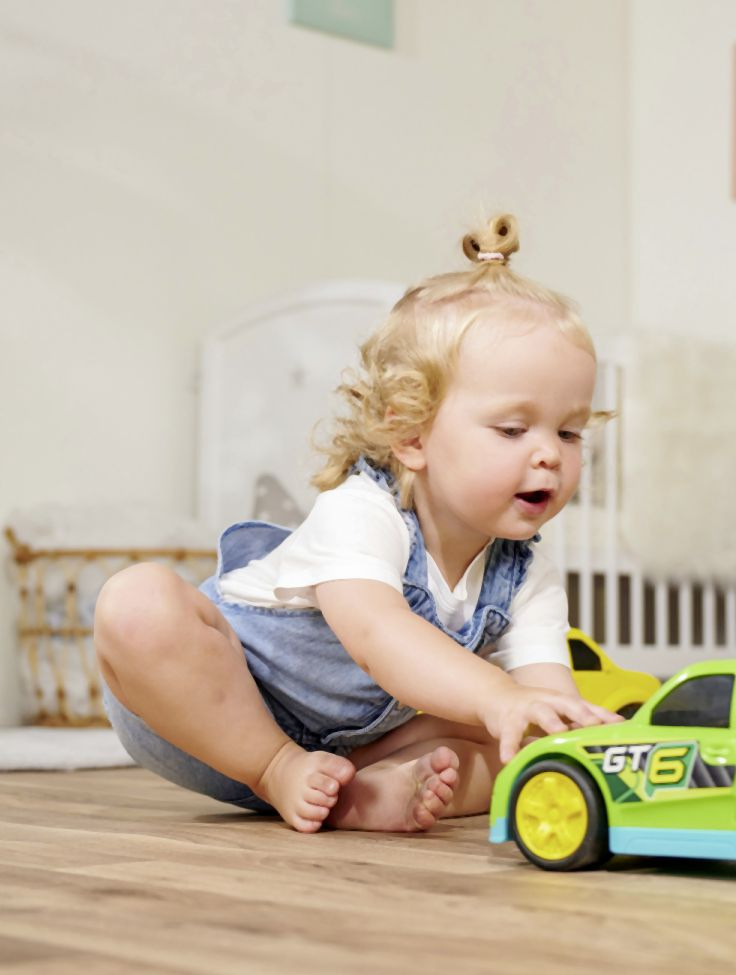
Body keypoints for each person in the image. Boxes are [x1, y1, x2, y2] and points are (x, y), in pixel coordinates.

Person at [93, 213, 622, 834]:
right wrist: (500, 696)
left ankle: (364, 795)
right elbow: (378, 637)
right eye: (512, 429)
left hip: (349, 748)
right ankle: (276, 768)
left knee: (518, 746)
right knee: (137, 603)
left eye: (569, 433)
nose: (549, 454)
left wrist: (589, 745)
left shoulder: (528, 575)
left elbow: (547, 702)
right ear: (411, 435)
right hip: (199, 714)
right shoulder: (364, 511)